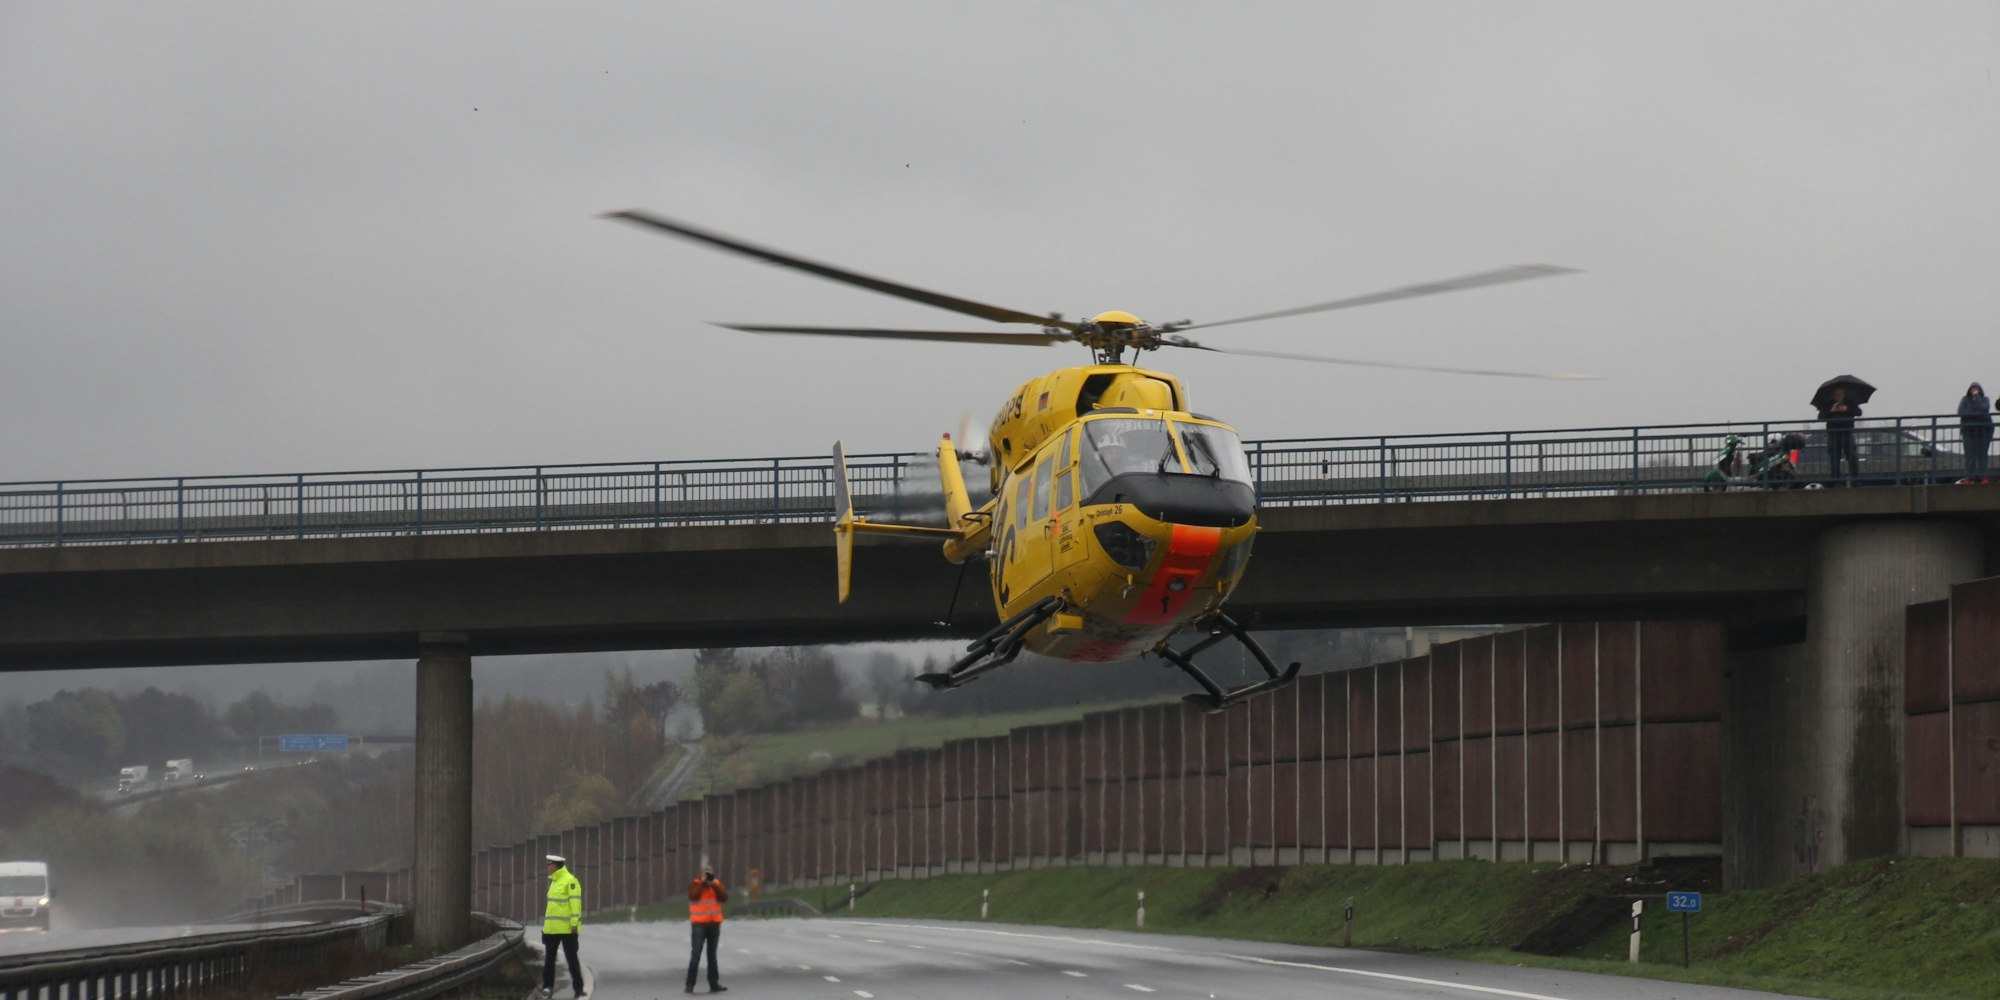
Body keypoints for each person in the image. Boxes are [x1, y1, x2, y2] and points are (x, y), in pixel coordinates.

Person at [542, 854, 585, 999]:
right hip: (552, 930)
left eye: (549, 864)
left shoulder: (570, 881)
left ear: (555, 865)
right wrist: (546, 929)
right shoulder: (553, 882)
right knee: (549, 961)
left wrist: (574, 925)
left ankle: (578, 989)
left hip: (568, 930)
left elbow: (575, 905)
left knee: (572, 959)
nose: (548, 867)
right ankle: (547, 987)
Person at [684, 863, 729, 994]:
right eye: (706, 873)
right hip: (699, 925)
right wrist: (703, 882)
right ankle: (690, 984)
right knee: (696, 955)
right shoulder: (695, 884)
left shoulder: (716, 883)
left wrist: (713, 884)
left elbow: (724, 897)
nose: (708, 875)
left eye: (710, 873)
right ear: (701, 873)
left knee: (712, 956)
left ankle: (714, 983)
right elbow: (693, 896)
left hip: (714, 924)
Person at [1816, 386, 1862, 484]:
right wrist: (1831, 411)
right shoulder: (1828, 404)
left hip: (1847, 433)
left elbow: (1859, 412)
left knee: (1852, 457)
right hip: (1833, 434)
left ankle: (1855, 480)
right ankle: (1835, 481)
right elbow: (1820, 417)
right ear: (1833, 395)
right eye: (1837, 394)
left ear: (1844, 394)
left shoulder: (1849, 402)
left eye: (1841, 394)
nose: (1839, 396)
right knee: (1834, 458)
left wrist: (1847, 409)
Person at [1960, 382, 1992, 478]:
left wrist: (1977, 398)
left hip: (1982, 433)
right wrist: (1976, 413)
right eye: (1972, 389)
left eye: (1976, 389)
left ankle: (1983, 477)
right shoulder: (1965, 400)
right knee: (1970, 455)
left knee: (1982, 455)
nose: (1974, 391)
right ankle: (1969, 477)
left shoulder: (1985, 399)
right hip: (1968, 432)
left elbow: (1984, 409)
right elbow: (1961, 411)